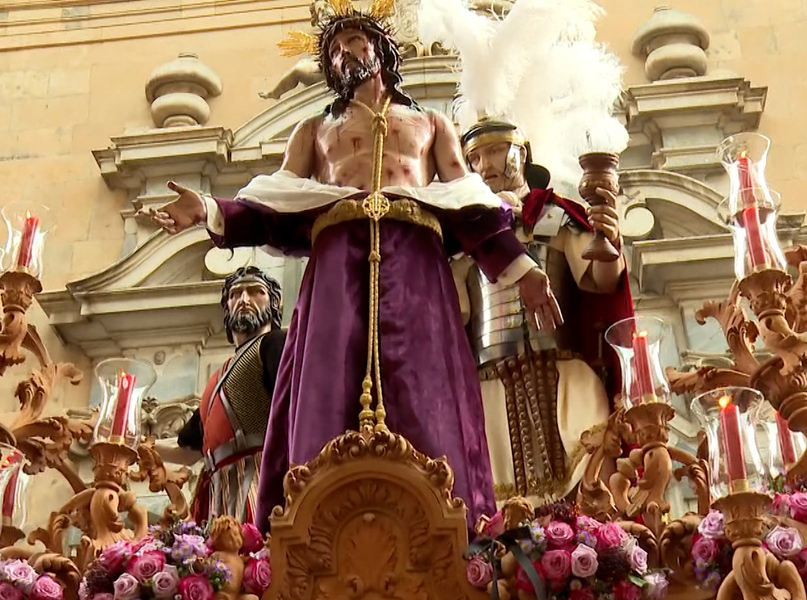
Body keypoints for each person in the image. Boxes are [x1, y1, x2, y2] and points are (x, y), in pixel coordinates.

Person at [143, 1, 561, 534]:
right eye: (333, 49)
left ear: (381, 47)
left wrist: (521, 271)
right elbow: (274, 207)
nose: (343, 53)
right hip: (337, 261)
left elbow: (470, 205)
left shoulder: (432, 125)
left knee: (426, 384)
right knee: (326, 379)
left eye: (353, 40)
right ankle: (308, 524)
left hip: (415, 260)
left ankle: (448, 521)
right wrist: (207, 210)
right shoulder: (314, 131)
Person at [454, 117, 633, 506]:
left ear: (522, 153)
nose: (485, 165)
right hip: (491, 386)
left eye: (495, 151)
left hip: (565, 375)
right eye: (474, 157)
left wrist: (610, 239)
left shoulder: (554, 217)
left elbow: (599, 282)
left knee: (590, 480)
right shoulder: (462, 238)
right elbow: (454, 317)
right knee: (500, 501)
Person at [154, 267, 286, 524]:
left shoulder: (276, 344)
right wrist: (139, 446)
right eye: (235, 294)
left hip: (259, 480)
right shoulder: (217, 378)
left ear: (274, 303)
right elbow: (191, 450)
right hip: (215, 490)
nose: (244, 300)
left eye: (255, 292)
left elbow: (295, 408)